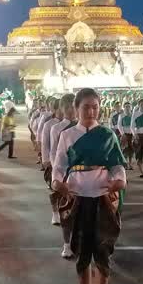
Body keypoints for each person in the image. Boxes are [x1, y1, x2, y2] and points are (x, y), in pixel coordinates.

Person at [52, 88, 127, 284]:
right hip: (77, 198)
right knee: (82, 250)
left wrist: (120, 181)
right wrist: (58, 183)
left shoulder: (107, 134)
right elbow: (59, 165)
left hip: (102, 197)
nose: (91, 111)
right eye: (86, 106)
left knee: (102, 250)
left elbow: (117, 165)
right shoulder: (67, 135)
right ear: (76, 108)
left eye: (95, 106)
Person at [48, 94, 77, 257]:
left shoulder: (85, 127)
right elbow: (54, 152)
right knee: (66, 209)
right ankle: (67, 244)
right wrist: (56, 174)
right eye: (67, 108)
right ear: (61, 109)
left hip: (83, 174)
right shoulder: (57, 128)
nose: (71, 111)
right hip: (65, 173)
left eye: (73, 107)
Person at [117, 102, 134, 169]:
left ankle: (130, 163)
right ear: (124, 108)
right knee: (125, 150)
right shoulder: (121, 115)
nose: (127, 108)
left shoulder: (133, 115)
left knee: (131, 150)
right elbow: (119, 125)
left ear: (131, 107)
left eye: (129, 107)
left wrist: (134, 133)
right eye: (126, 107)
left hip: (132, 135)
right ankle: (125, 163)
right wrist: (123, 134)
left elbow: (135, 125)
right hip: (124, 135)